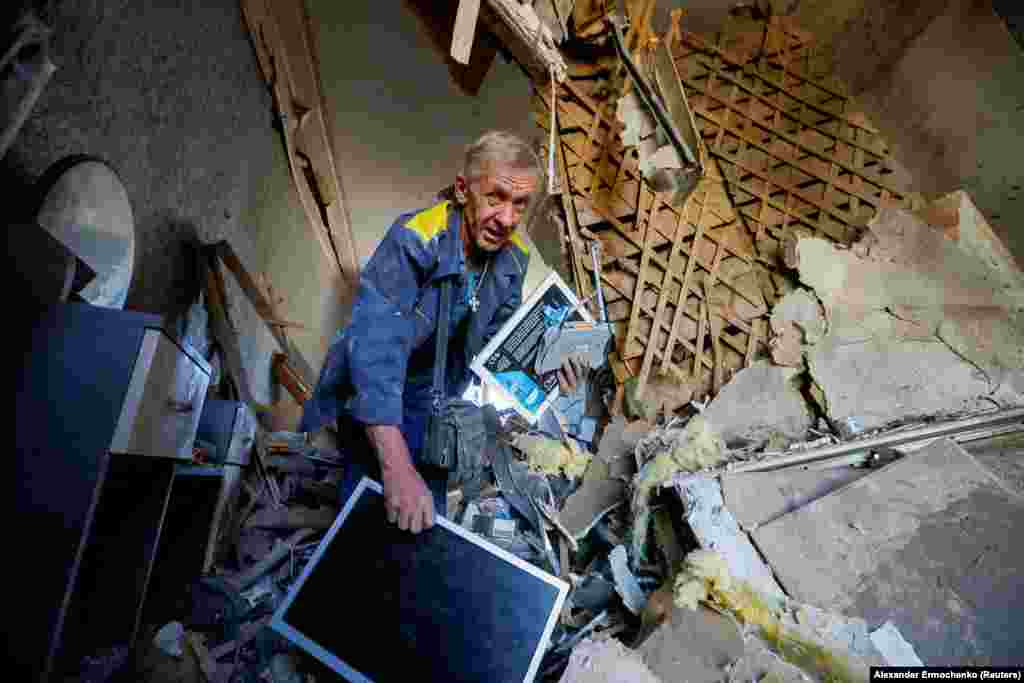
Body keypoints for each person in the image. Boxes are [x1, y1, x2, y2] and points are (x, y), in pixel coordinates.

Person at [300, 130, 581, 534]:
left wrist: (551, 368)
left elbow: (496, 352)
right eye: (496, 197)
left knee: (422, 533)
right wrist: (396, 467)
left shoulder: (512, 260)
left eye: (520, 204)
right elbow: (374, 359)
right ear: (464, 189)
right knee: (363, 531)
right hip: (374, 395)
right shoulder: (415, 240)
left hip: (431, 406)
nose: (508, 219)